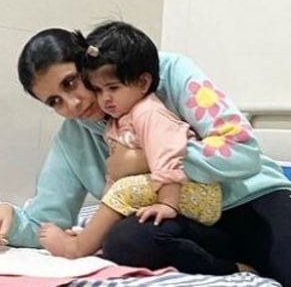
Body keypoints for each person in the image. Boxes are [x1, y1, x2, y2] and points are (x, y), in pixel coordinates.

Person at [0, 21, 291, 286]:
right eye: (55, 101)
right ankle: (238, 271)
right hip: (188, 226)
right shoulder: (74, 138)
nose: (74, 104)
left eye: (73, 82)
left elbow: (242, 152)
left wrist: (145, 160)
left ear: (89, 61)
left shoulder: (168, 74)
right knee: (126, 240)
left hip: (256, 202)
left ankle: (267, 257)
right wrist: (11, 217)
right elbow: (51, 221)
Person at [37, 24, 222, 259]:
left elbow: (167, 156)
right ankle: (89, 241)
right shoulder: (116, 120)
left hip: (199, 195)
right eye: (99, 90)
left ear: (143, 83)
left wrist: (168, 203)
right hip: (176, 198)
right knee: (122, 205)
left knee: (125, 190)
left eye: (113, 88)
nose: (106, 99)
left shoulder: (148, 112)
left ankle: (76, 248)